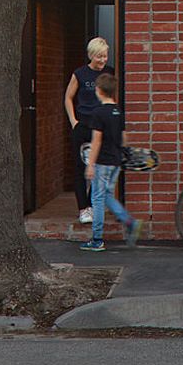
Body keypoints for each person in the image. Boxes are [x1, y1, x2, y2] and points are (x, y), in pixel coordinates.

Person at [80, 72, 141, 252]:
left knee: (97, 198)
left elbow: (96, 141)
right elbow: (123, 137)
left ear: (98, 91)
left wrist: (90, 164)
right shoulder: (117, 111)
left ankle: (97, 239)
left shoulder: (98, 113)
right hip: (115, 161)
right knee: (107, 195)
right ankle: (130, 222)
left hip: (102, 161)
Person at [65, 35, 112, 224]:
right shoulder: (80, 74)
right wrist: (73, 121)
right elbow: (68, 97)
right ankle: (83, 209)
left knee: (98, 167)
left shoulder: (109, 73)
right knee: (80, 168)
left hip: (100, 128)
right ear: (91, 55)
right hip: (82, 126)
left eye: (105, 56)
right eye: (99, 56)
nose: (102, 60)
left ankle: (92, 206)